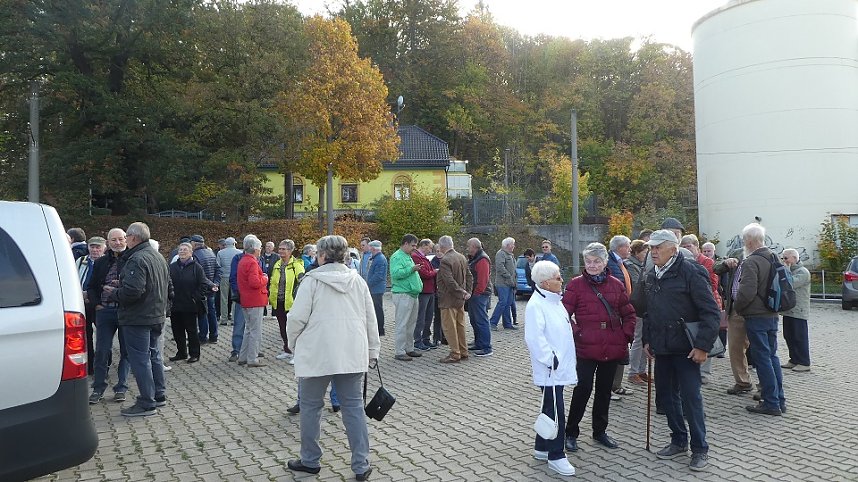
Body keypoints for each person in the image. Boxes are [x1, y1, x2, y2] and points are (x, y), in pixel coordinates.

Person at [286, 235, 379, 481]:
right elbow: (371, 319)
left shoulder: (311, 281)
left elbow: (295, 318)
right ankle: (361, 465)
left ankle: (310, 460)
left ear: (322, 255)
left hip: (317, 354)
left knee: (310, 408)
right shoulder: (358, 281)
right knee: (353, 409)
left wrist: (293, 343)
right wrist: (373, 351)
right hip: (351, 353)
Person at [639, 230, 720, 471]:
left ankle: (700, 448)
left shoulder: (692, 271)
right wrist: (647, 340)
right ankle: (678, 439)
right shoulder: (652, 273)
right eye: (651, 247)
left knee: (691, 398)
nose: (653, 251)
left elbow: (710, 312)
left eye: (658, 247)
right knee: (665, 396)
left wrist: (702, 346)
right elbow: (649, 311)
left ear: (673, 249)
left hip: (687, 349)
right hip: (662, 347)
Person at [561, 243, 636, 453]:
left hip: (611, 346)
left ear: (605, 262)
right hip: (586, 347)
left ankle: (600, 431)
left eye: (596, 261)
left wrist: (625, 335)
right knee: (582, 389)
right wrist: (578, 333)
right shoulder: (576, 285)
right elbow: (563, 315)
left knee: (604, 391)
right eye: (588, 261)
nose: (592, 265)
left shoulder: (616, 284)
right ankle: (571, 432)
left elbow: (629, 313)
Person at [110, 222, 171, 417]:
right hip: (156, 315)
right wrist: (123, 283)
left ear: (134, 238)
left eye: (126, 236)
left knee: (140, 359)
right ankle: (159, 394)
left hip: (139, 318)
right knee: (154, 355)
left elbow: (134, 292)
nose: (125, 240)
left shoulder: (137, 259)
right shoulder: (157, 256)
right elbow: (155, 284)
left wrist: (115, 293)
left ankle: (147, 402)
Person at [525, 261, 578, 477]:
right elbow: (534, 338)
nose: (561, 280)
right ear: (546, 283)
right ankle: (557, 455)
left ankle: (542, 447)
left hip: (558, 366)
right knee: (556, 412)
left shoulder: (555, 301)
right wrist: (551, 359)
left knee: (549, 408)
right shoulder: (536, 305)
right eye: (557, 277)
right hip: (550, 369)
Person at [734, 223, 786, 416]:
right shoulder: (774, 257)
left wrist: (738, 307)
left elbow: (746, 292)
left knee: (762, 358)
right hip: (772, 314)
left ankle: (771, 403)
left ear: (749, 240)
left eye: (743, 240)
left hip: (756, 316)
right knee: (772, 357)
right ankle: (779, 399)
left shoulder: (751, 261)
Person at [87, 228, 131, 404]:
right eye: (114, 240)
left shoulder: (132, 260)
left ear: (126, 240)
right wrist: (97, 304)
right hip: (104, 311)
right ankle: (98, 388)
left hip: (126, 311)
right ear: (108, 243)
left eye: (121, 239)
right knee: (102, 351)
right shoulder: (101, 262)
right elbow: (91, 286)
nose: (118, 243)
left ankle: (121, 387)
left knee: (126, 351)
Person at [680, 234, 723, 384]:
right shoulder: (681, 262)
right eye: (684, 247)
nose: (686, 249)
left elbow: (712, 284)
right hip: (691, 305)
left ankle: (704, 372)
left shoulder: (707, 262)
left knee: (706, 332)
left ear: (697, 247)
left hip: (707, 301)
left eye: (689, 246)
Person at [714, 245, 752, 394]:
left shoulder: (766, 256)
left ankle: (766, 388)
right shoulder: (738, 252)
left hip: (756, 311)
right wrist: (726, 262)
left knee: (761, 350)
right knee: (736, 347)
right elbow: (716, 267)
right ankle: (743, 381)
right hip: (735, 308)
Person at [168, 242, 213, 364]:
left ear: (191, 253)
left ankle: (194, 354)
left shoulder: (196, 267)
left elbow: (203, 284)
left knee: (191, 331)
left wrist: (195, 297)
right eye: (180, 250)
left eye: (185, 250)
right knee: (177, 331)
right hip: (175, 305)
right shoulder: (172, 267)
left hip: (190, 305)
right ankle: (181, 352)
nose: (182, 252)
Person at [436, 235, 472, 363]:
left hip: (448, 299)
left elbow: (449, 281)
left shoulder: (445, 260)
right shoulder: (461, 257)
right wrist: (467, 292)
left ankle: (455, 353)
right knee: (460, 325)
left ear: (441, 246)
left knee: (449, 327)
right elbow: (469, 276)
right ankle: (463, 351)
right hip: (460, 300)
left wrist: (461, 292)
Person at [269, 239, 305, 363]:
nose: (280, 251)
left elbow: (302, 281)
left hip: (291, 303)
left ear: (290, 251)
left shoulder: (296, 265)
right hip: (278, 301)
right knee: (282, 327)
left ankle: (297, 354)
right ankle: (287, 350)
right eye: (280, 248)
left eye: (283, 249)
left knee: (294, 329)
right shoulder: (277, 264)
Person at [606, 235, 633, 399]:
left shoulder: (621, 263)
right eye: (628, 246)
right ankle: (610, 387)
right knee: (615, 351)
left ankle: (616, 385)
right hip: (614, 314)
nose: (629, 249)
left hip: (623, 311)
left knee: (622, 350)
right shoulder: (610, 264)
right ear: (619, 247)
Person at [236, 235, 269, 368]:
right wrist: (265, 279)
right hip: (255, 299)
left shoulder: (243, 260)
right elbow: (255, 282)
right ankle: (252, 358)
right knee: (255, 331)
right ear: (255, 249)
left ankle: (243, 357)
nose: (260, 250)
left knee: (248, 329)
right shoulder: (252, 262)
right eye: (260, 247)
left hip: (246, 299)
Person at [390, 234, 423, 361]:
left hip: (412, 294)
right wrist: (412, 269)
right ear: (405, 244)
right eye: (413, 245)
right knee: (402, 323)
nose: (415, 248)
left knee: (411, 323)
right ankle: (399, 351)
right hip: (403, 294)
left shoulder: (407, 256)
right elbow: (396, 274)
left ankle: (409, 348)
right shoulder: (397, 256)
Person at [76, 236, 106, 375]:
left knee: (103, 335)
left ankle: (105, 363)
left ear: (104, 248)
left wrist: (92, 296)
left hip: (100, 303)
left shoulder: (107, 262)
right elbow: (74, 278)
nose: (95, 250)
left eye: (98, 247)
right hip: (83, 302)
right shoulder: (80, 261)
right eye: (92, 247)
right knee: (86, 335)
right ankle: (90, 365)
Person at [780, 248, 811, 372]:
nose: (784, 260)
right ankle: (794, 359)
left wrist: (786, 270)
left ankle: (804, 362)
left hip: (799, 310)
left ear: (794, 258)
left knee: (799, 336)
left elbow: (790, 283)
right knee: (788, 335)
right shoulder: (788, 270)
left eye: (786, 258)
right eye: (783, 258)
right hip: (788, 309)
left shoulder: (803, 272)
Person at [625, 239, 649, 386]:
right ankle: (633, 372)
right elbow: (638, 283)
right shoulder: (631, 265)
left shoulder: (641, 265)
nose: (647, 255)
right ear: (637, 252)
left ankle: (641, 370)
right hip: (637, 306)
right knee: (637, 339)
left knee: (644, 339)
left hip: (644, 306)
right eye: (645, 252)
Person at [190, 235, 221, 343]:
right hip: (212, 289)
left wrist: (211, 285)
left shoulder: (195, 256)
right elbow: (218, 270)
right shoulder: (211, 253)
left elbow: (198, 275)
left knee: (202, 313)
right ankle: (214, 336)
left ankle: (203, 336)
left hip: (202, 289)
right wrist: (215, 284)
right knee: (212, 312)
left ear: (194, 244)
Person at [467, 237, 494, 357]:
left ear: (474, 247)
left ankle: (486, 347)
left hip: (480, 294)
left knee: (481, 320)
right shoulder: (476, 258)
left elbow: (483, 279)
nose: (467, 249)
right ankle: (478, 342)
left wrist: (477, 293)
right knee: (474, 320)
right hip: (475, 294)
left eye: (469, 247)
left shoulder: (482, 259)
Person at [412, 239, 438, 351]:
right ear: (424, 245)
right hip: (423, 291)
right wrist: (435, 272)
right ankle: (418, 340)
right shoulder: (416, 256)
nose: (431, 250)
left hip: (430, 290)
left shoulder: (424, 257)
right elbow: (424, 273)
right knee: (421, 317)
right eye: (430, 247)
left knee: (428, 316)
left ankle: (426, 338)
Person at [489, 237, 518, 331]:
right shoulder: (500, 254)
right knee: (502, 302)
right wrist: (509, 276)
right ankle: (492, 322)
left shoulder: (510, 255)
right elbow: (500, 267)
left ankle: (507, 324)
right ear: (507, 245)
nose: (514, 246)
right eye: (512, 244)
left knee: (508, 303)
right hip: (502, 283)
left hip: (510, 284)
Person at [217, 237, 242, 325]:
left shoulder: (220, 253)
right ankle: (234, 319)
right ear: (234, 243)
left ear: (225, 244)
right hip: (235, 278)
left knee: (223, 298)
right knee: (235, 298)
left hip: (224, 277)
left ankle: (223, 319)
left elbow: (218, 266)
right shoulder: (239, 252)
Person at [365, 240, 388, 336]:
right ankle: (378, 328)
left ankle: (380, 329)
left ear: (373, 248)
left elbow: (379, 276)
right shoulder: (376, 258)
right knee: (376, 308)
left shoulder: (380, 259)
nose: (369, 249)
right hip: (375, 288)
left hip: (376, 289)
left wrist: (367, 284)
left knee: (377, 309)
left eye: (370, 247)